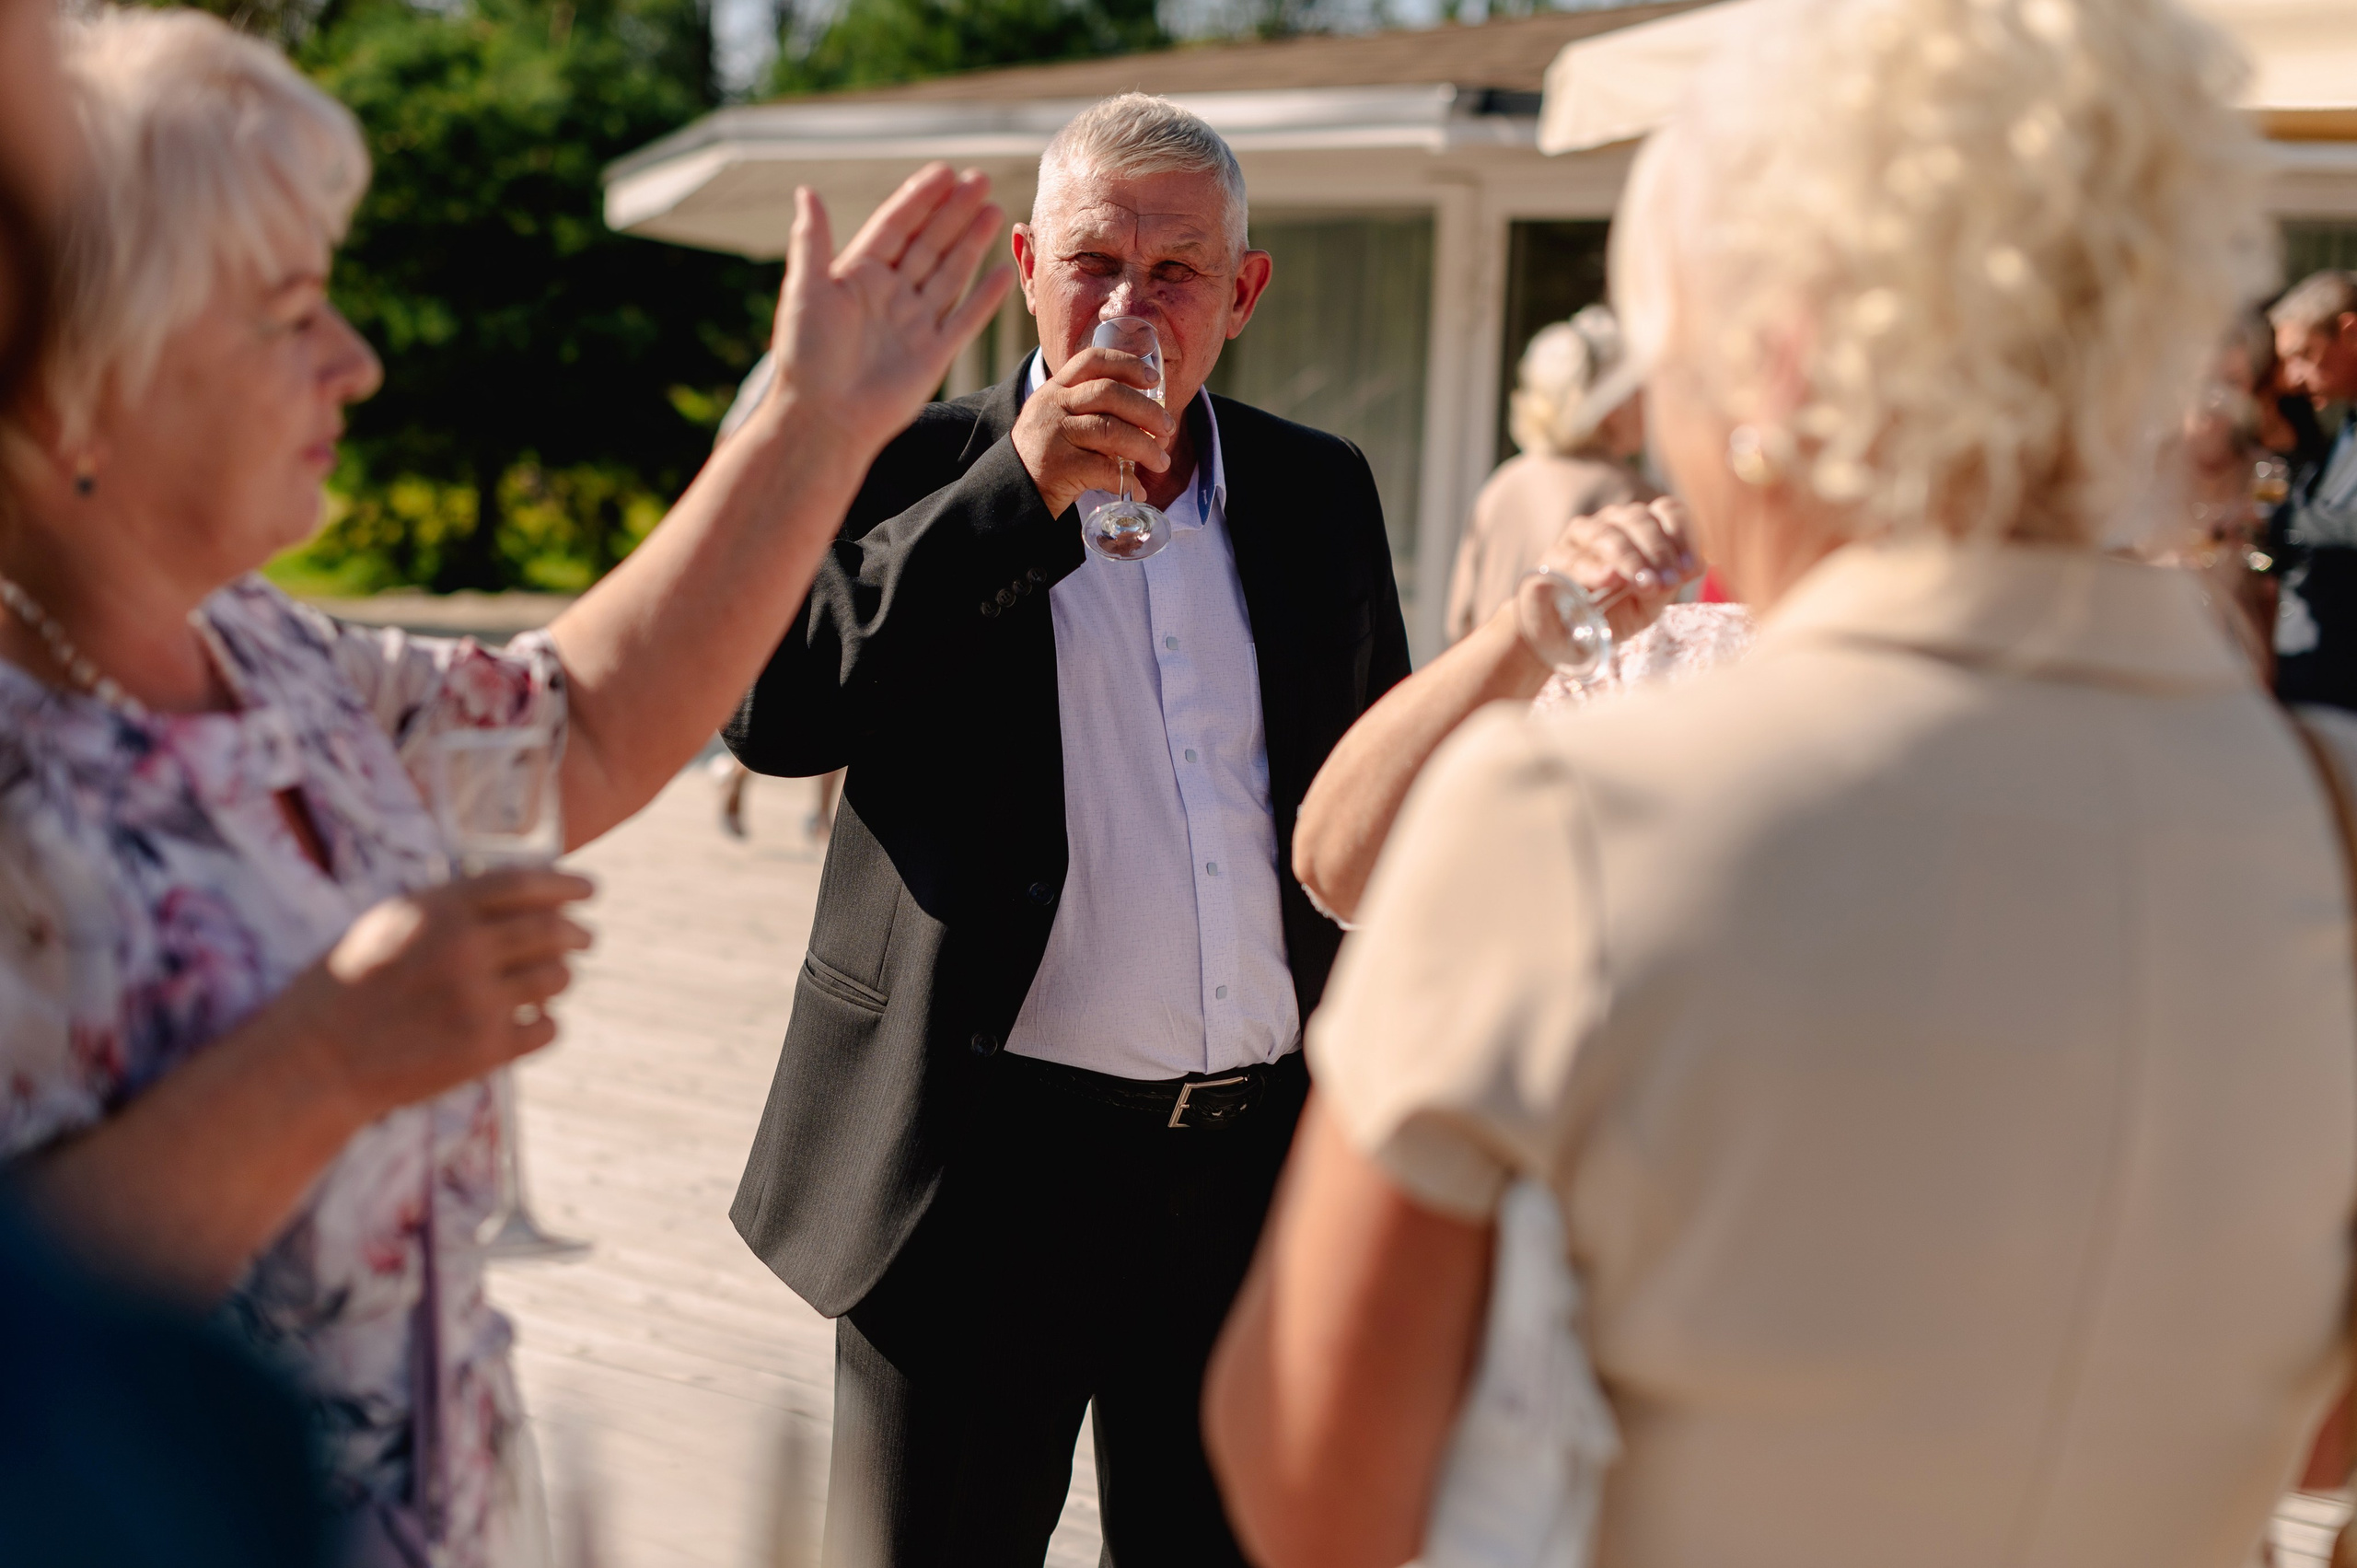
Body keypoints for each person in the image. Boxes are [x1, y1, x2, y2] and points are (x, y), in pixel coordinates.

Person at [1205, 4, 2350, 1568]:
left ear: (1778, 356)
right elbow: (2324, 1425)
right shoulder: (2325, 812)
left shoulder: (1575, 818)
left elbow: (1312, 1480)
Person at [0, 8, 1007, 1564]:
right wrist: (325, 1058)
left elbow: (573, 724)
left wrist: (821, 425)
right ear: (89, 365)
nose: (358, 359)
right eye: (293, 313)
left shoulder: (265, 652)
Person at [723, 93, 1411, 1567]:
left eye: (1175, 271)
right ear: (1030, 266)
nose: (1127, 306)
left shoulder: (1318, 490)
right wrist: (1015, 492)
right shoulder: (904, 463)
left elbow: (1370, 803)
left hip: (1248, 1175)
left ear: (1243, 291)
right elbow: (770, 709)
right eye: (1095, 261)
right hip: (979, 1167)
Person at [1294, 497, 1750, 925]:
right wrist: (1529, 632)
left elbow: (1459, 608)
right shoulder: (1648, 655)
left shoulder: (1654, 655)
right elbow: (1341, 864)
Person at [1443, 305, 1655, 644]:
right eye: (1639, 389)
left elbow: (1458, 623)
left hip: (1493, 675)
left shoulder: (1502, 483)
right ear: (1612, 404)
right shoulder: (1633, 495)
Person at [2270, 269, 2357, 710]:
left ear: (2351, 333)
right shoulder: (2347, 423)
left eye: (2305, 354)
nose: (2293, 377)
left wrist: (2279, 522)